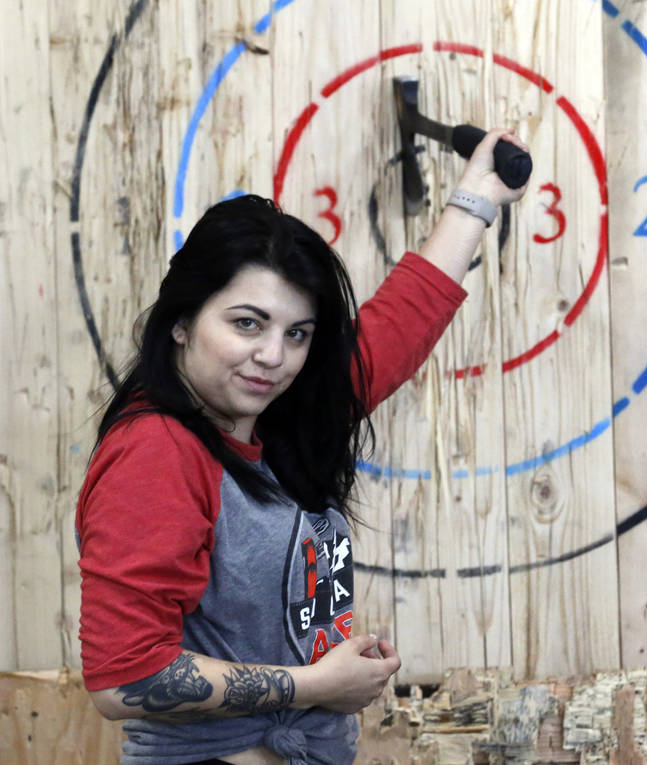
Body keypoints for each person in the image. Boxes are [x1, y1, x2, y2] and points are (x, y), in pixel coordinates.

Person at [76, 128, 530, 765]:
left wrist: (477, 195)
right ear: (181, 322)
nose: (273, 356)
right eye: (246, 323)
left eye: (298, 333)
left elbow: (397, 327)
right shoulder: (159, 450)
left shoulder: (276, 418)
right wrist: (319, 684)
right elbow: (124, 678)